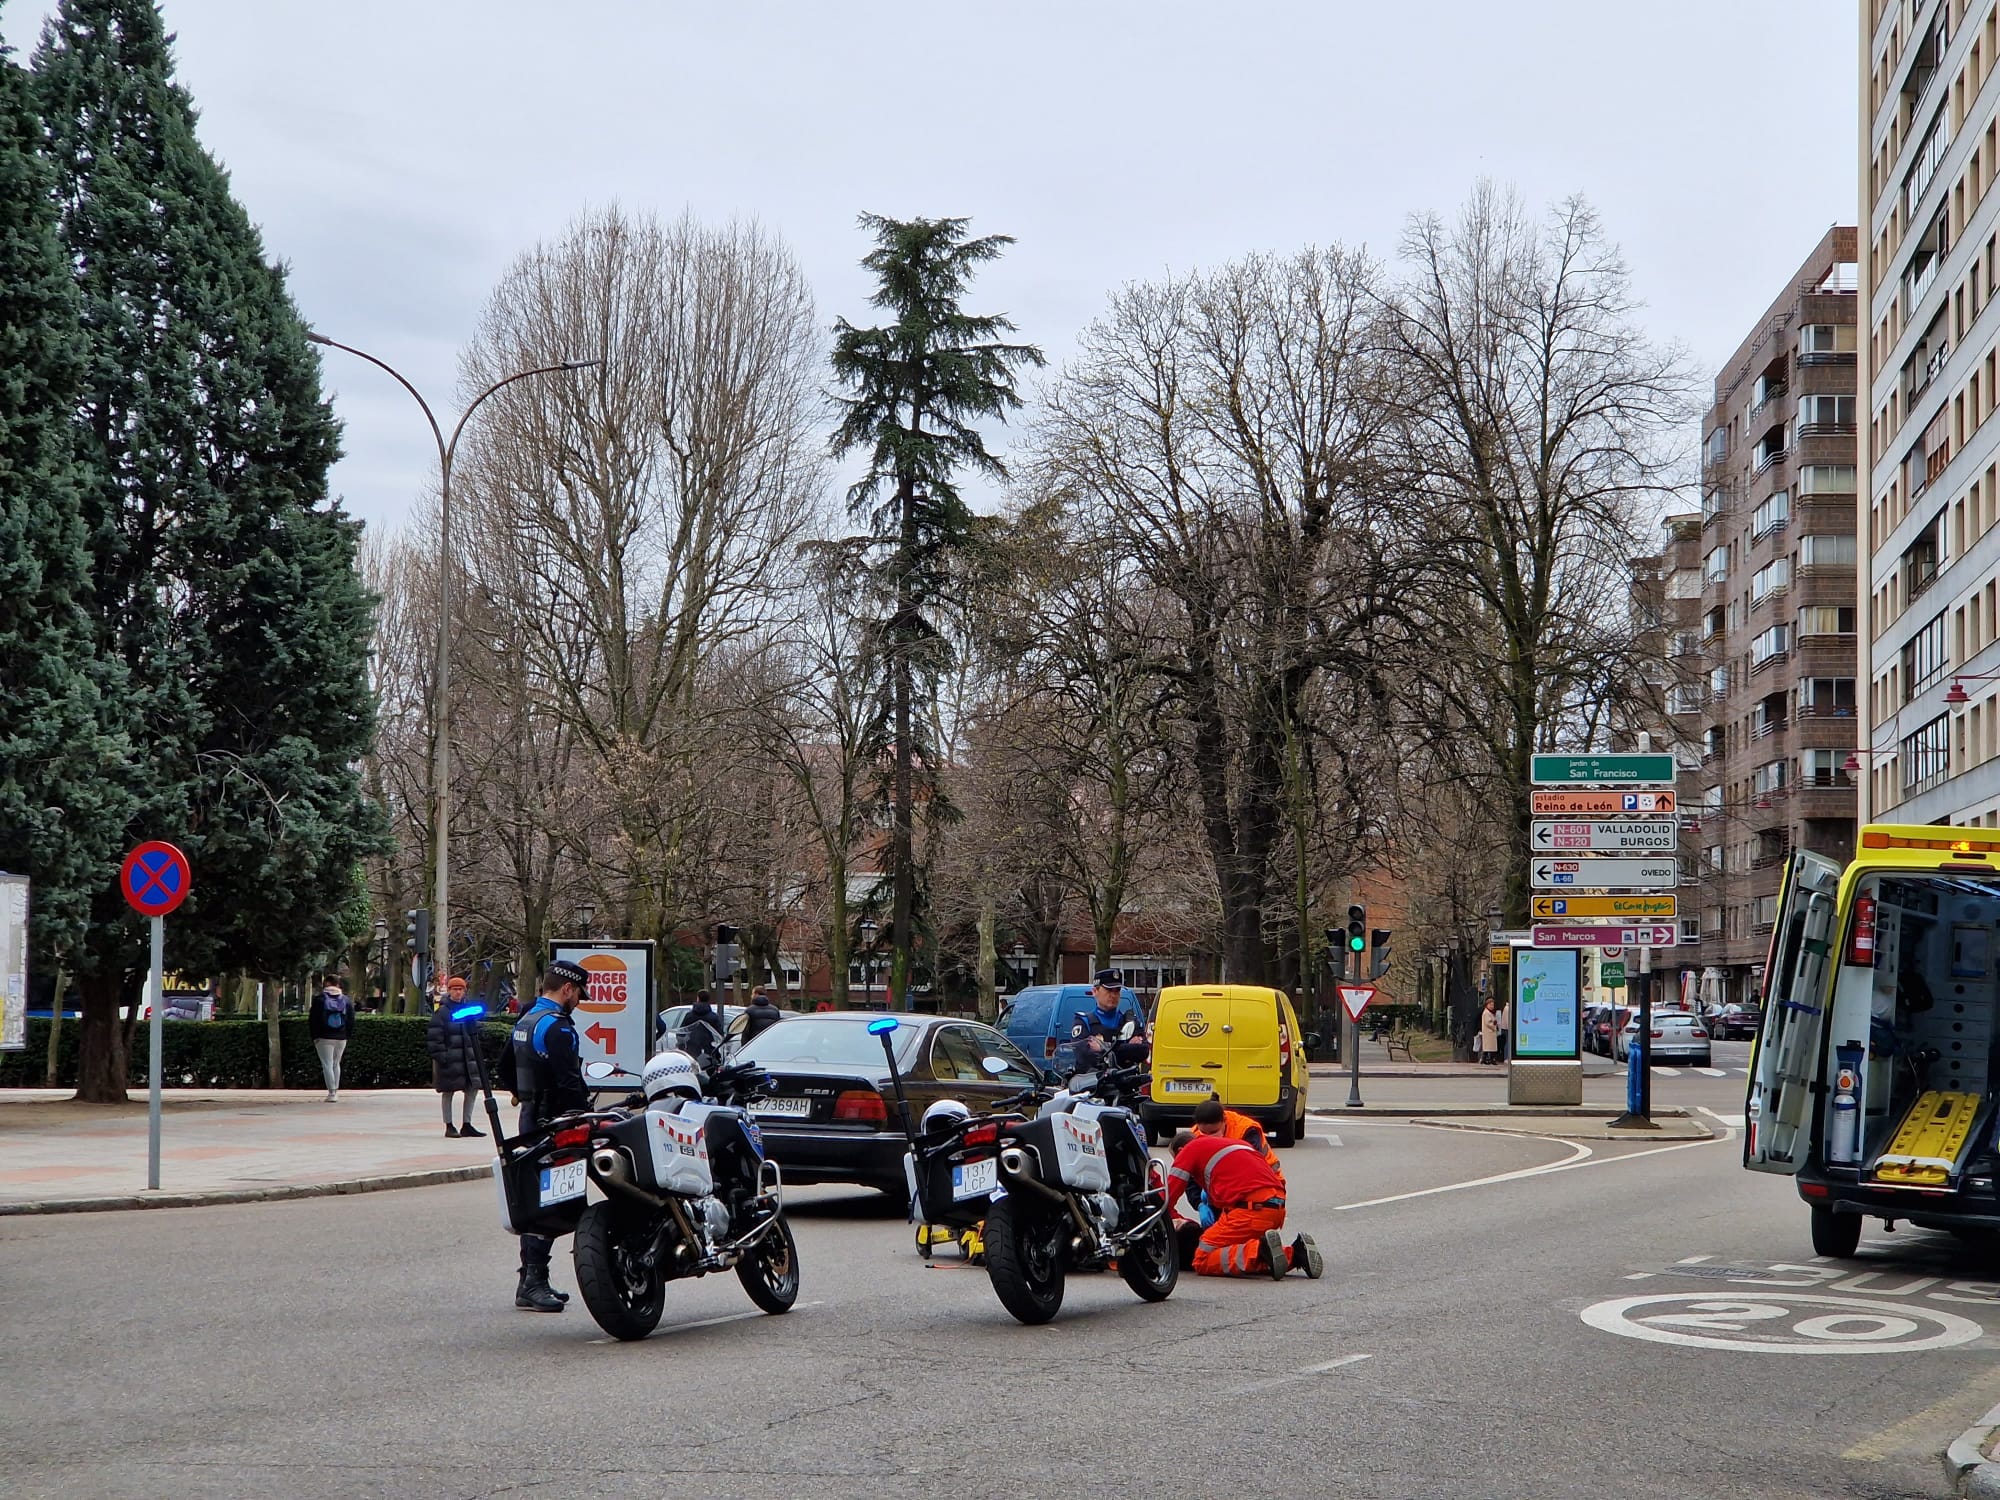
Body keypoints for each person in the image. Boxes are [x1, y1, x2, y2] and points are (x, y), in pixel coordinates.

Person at [509, 959, 591, 1312]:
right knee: (552, 1199)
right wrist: (581, 1116)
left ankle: (528, 1277)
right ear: (567, 989)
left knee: (535, 1193)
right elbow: (569, 1081)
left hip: (530, 1116)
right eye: (578, 995)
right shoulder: (558, 1028)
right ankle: (533, 1281)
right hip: (555, 1122)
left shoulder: (526, 1020)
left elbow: (504, 1066)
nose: (577, 1003)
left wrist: (522, 1094)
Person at [1164, 1112, 1322, 1279]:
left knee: (1202, 1258)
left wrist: (1170, 1219)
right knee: (1231, 1248)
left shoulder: (1190, 1150)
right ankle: (1295, 1252)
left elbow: (1168, 1196)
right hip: (1275, 1208)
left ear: (1181, 1150)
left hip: (1250, 1211)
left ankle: (1269, 1252)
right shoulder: (1235, 1143)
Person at [426, 976, 484, 1139]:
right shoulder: (442, 1012)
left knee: (472, 1089)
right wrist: (443, 1057)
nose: (458, 992)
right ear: (450, 991)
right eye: (455, 989)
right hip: (451, 1060)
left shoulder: (467, 1010)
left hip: (467, 1059)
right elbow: (434, 1037)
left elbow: (474, 1032)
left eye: (461, 989)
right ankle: (449, 1125)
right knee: (448, 1092)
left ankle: (467, 1124)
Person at [1071, 969, 1147, 1071]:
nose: (1114, 995)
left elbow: (1143, 1051)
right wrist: (1125, 1049)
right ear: (1095, 991)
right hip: (1093, 1083)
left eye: (1117, 991)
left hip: (1123, 1083)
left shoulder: (1130, 1022)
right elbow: (1083, 1056)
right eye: (1109, 990)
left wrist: (1103, 1047)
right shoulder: (1084, 1022)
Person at [308, 979, 354, 1102]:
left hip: (323, 1036)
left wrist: (314, 1036)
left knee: (327, 1064)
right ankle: (336, 1091)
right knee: (336, 1063)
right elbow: (351, 1019)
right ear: (338, 984)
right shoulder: (346, 1000)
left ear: (326, 984)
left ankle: (331, 1093)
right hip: (341, 1037)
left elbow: (313, 1020)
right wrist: (346, 1035)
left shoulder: (319, 1000)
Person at [682, 990, 724, 1069]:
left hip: (692, 1049)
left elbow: (681, 1032)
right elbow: (720, 1034)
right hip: (709, 1049)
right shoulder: (713, 1017)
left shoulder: (689, 1016)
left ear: (698, 998)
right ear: (708, 1000)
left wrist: (683, 1045)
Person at [1479, 998, 1500, 1065]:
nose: (1492, 1006)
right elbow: (1488, 1022)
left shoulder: (1489, 1012)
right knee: (1488, 1047)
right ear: (1487, 1005)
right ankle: (1487, 1059)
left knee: (1489, 1047)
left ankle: (1486, 1059)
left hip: (1490, 1033)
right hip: (1489, 1032)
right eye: (1490, 1005)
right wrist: (1494, 1025)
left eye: (1493, 1005)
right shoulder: (1486, 1013)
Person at [1496, 996, 1512, 1062]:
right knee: (1508, 1043)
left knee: (1507, 1042)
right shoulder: (1508, 1008)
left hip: (1505, 1027)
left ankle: (1506, 1057)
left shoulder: (1507, 1008)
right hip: (1507, 1028)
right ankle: (1506, 1057)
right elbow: (1507, 1020)